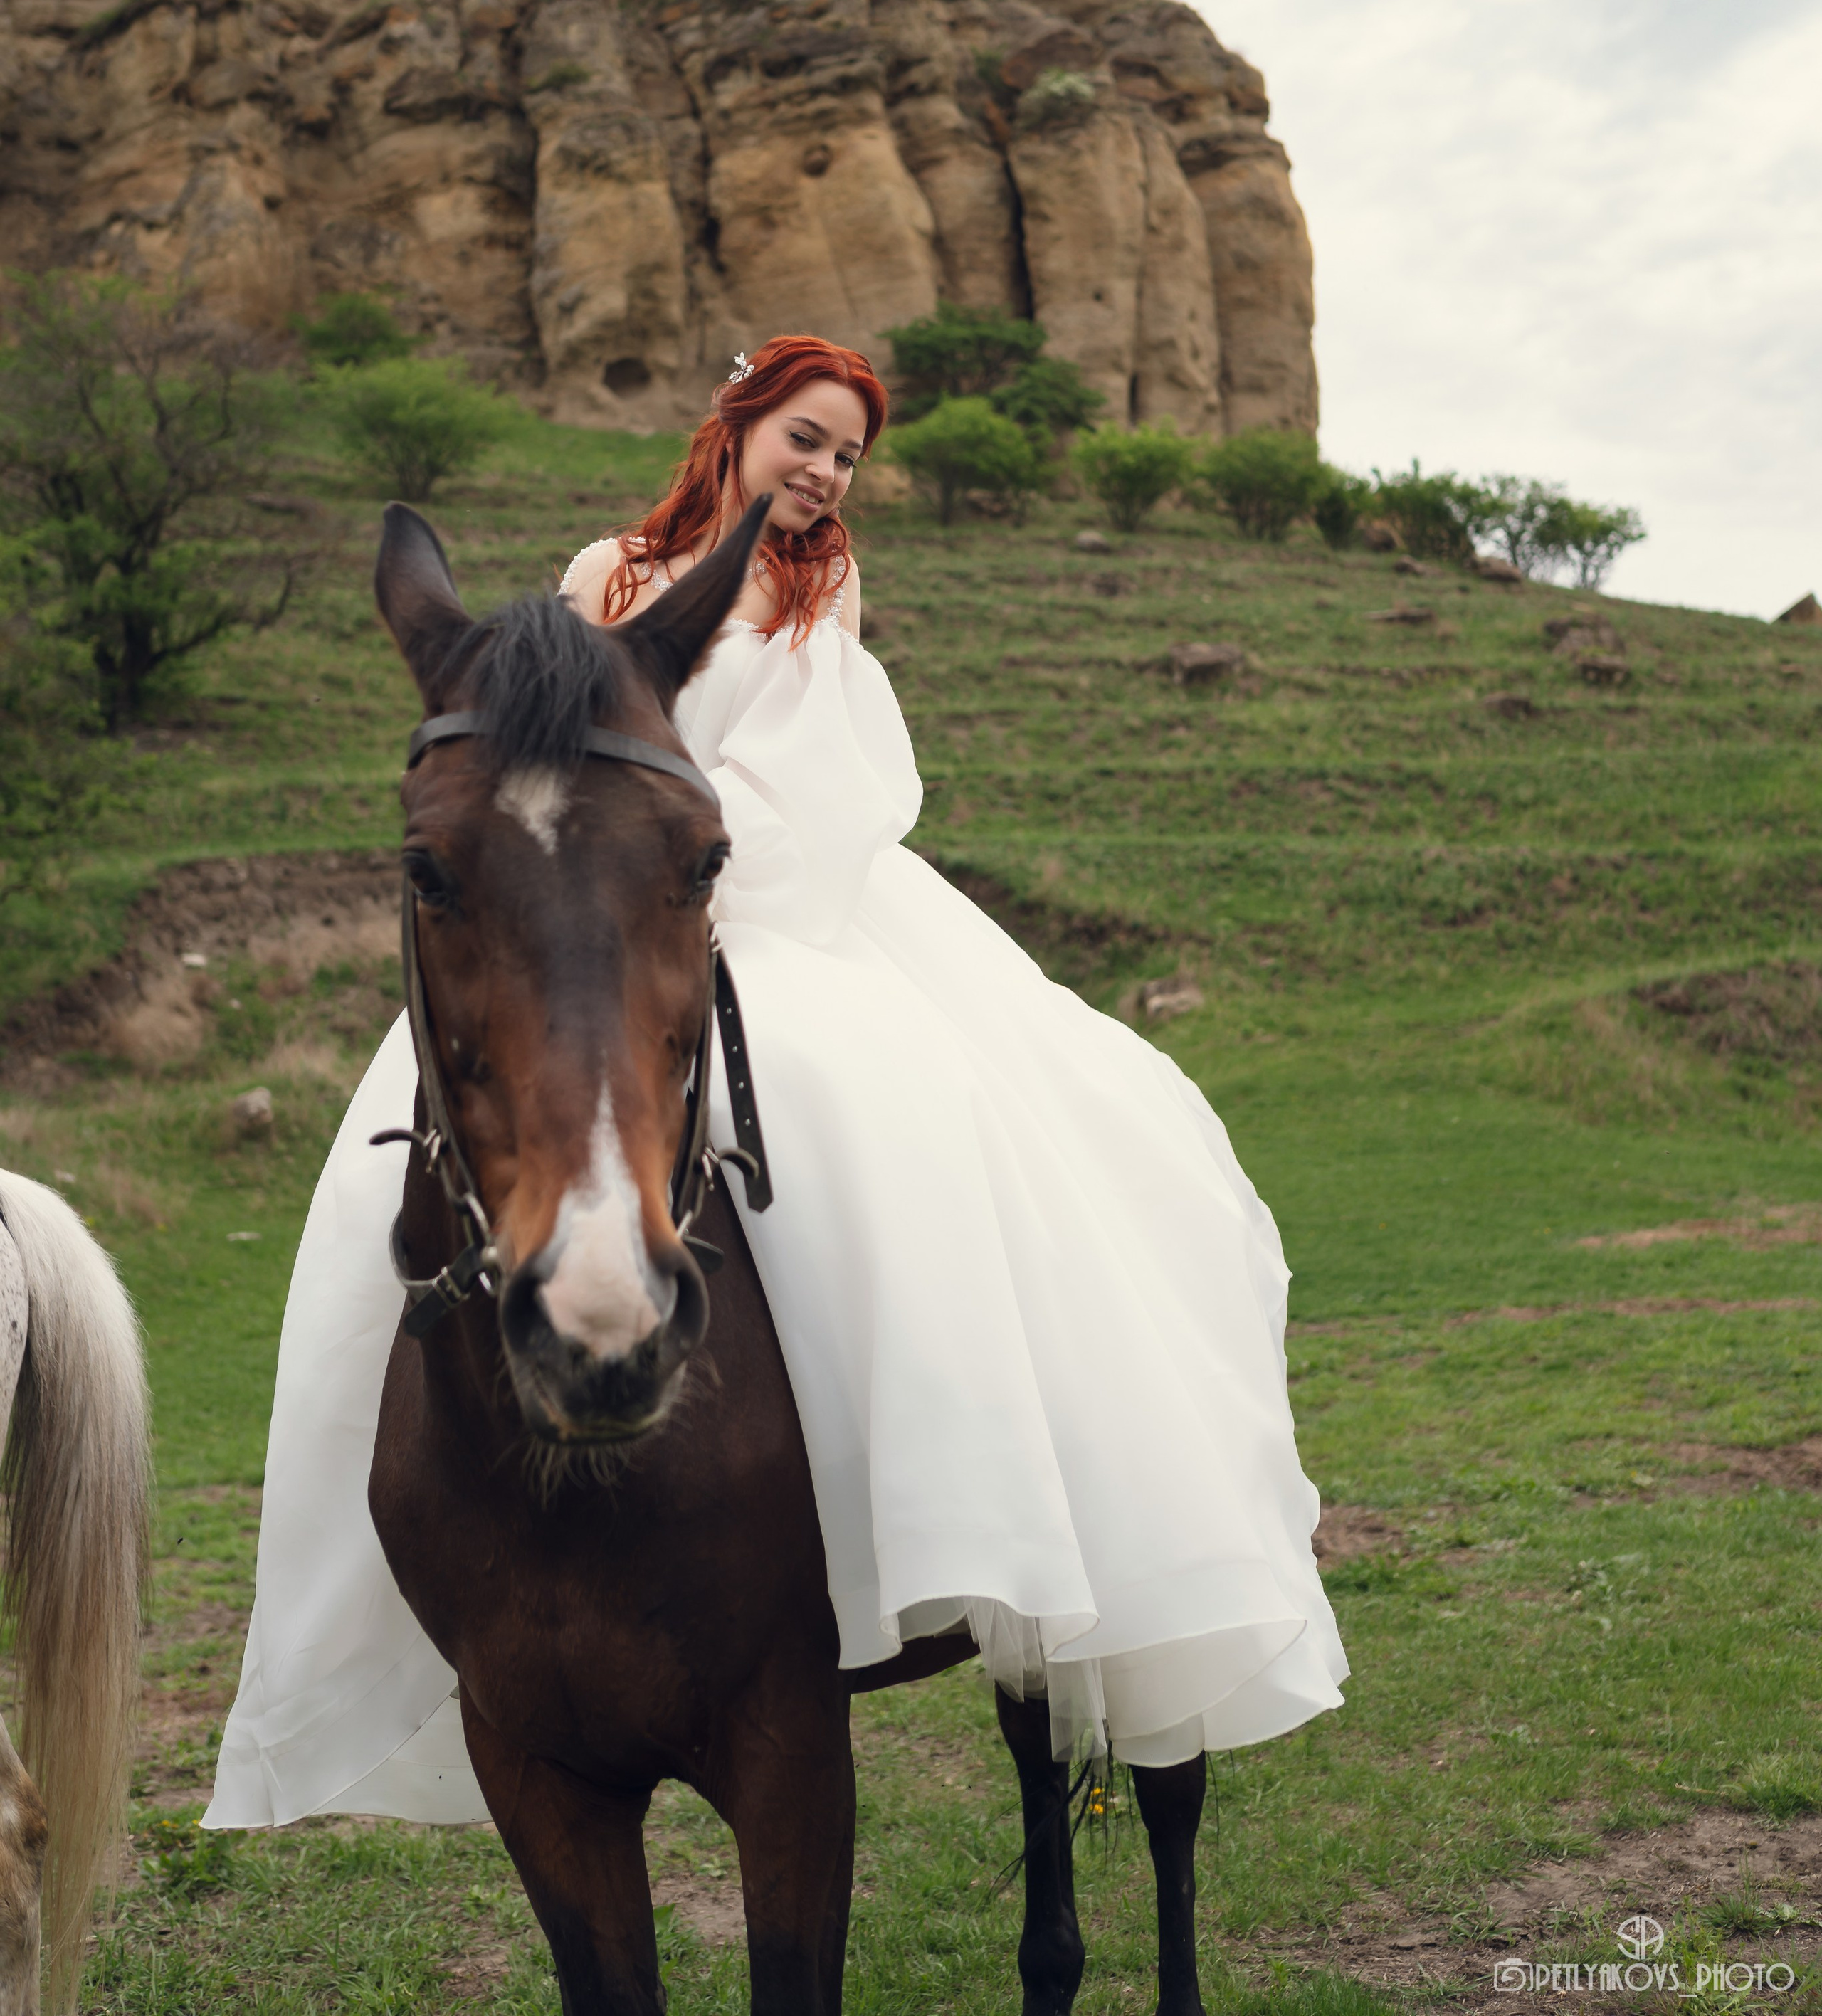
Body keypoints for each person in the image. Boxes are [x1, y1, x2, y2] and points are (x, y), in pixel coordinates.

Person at [206, 334, 1344, 1832]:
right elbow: (534, 774)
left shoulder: (822, 592)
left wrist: (679, 871)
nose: (822, 472)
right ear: (737, 424)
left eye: (847, 456)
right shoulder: (605, 572)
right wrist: (603, 888)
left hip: (774, 912)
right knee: (386, 1173)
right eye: (804, 437)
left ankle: (891, 1495)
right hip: (585, 932)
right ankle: (395, 1548)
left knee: (878, 1130)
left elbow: (834, 789)